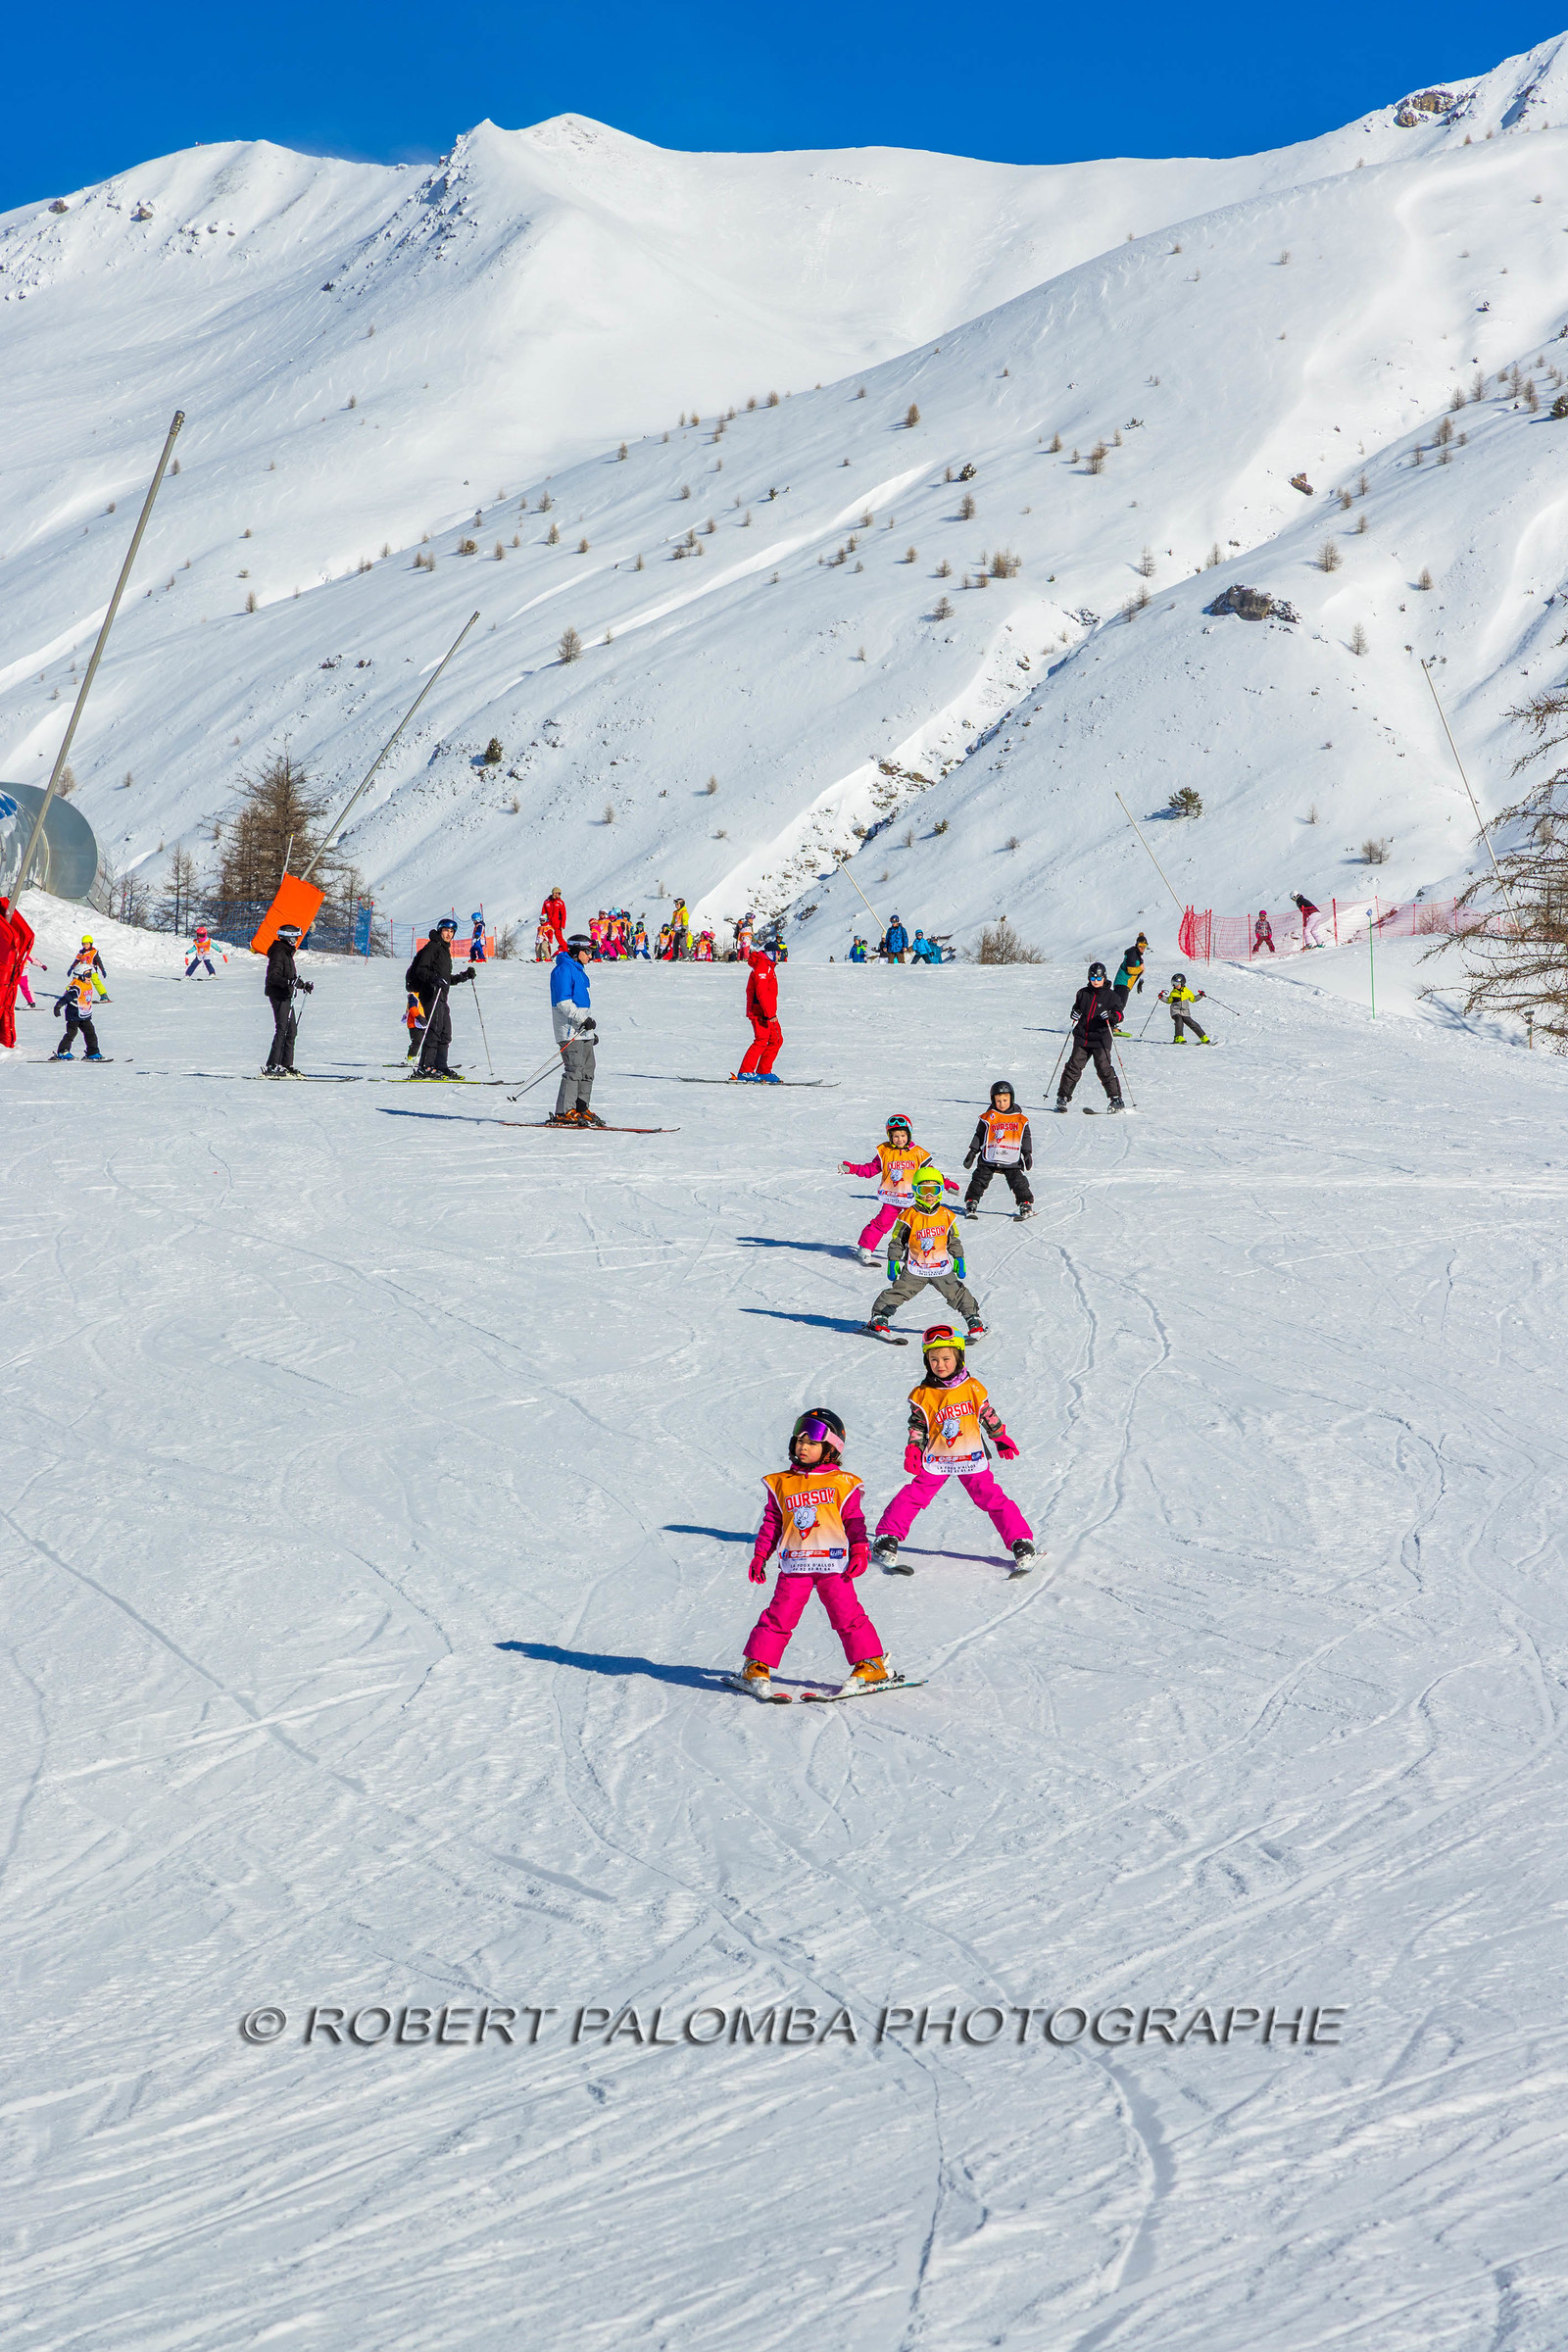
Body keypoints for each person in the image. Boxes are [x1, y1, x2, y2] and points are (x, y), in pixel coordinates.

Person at [735, 1408, 891, 1697]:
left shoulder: (843, 1483)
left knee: (847, 1615)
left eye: (811, 1443)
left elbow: (854, 1521)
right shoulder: (782, 1483)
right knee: (778, 1616)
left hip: (833, 1566)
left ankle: (871, 1664)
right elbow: (773, 1522)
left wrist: (859, 1550)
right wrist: (760, 1556)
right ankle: (756, 1665)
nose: (802, 1447)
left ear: (830, 1449)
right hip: (795, 1566)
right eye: (799, 1441)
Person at [871, 1328, 1034, 1573]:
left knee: (991, 1497)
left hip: (971, 1455)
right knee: (914, 1495)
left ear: (959, 1358)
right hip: (937, 1457)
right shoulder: (923, 1394)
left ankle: (1020, 1541)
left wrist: (999, 1437)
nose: (940, 1365)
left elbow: (987, 1414)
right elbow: (917, 1424)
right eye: (933, 1359)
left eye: (946, 1359)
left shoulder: (972, 1388)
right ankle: (887, 1537)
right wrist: (914, 1449)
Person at [865, 1165, 983, 1342]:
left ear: (940, 1191)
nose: (929, 1195)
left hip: (941, 1268)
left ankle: (973, 1319)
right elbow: (897, 1241)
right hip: (915, 1268)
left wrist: (959, 1257)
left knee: (957, 1293)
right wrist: (893, 1260)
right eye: (924, 1190)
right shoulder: (908, 1216)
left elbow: (953, 1239)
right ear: (916, 1191)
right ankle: (879, 1317)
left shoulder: (946, 1215)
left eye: (934, 1190)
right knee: (899, 1291)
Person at [842, 1115, 958, 1265]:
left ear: (908, 1134)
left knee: (915, 1226)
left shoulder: (918, 1153)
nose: (899, 1139)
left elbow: (930, 1174)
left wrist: (947, 1184)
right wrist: (852, 1169)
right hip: (892, 1199)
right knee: (881, 1224)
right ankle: (865, 1249)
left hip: (912, 1200)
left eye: (903, 1135)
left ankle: (914, 1253)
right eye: (895, 1136)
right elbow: (871, 1169)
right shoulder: (885, 1151)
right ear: (890, 1136)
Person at [405, 916, 474, 1079]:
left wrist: (464, 976)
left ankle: (440, 1066)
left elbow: (445, 978)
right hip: (430, 995)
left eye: (451, 931)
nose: (449, 934)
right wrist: (434, 978)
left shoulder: (444, 950)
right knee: (434, 1031)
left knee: (445, 1033)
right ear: (440, 930)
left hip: (441, 997)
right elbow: (421, 970)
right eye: (446, 930)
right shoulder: (432, 947)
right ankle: (426, 1066)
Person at [1055, 962, 1125, 1112]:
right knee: (1073, 1066)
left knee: (1103, 1067)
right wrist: (1074, 1013)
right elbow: (1077, 1008)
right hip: (1082, 1036)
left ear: (1104, 977)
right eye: (1093, 977)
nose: (1095, 980)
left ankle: (1116, 1099)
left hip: (1101, 1038)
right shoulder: (1082, 993)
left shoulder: (1112, 996)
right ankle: (1062, 1098)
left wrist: (1112, 1016)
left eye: (1099, 977)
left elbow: (1120, 1015)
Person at [550, 930, 601, 1126]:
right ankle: (564, 1111)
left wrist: (589, 1031)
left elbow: (581, 1005)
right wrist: (583, 1021)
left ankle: (580, 1108)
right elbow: (563, 1002)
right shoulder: (563, 970)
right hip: (569, 1030)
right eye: (588, 951)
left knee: (588, 1069)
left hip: (581, 1030)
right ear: (576, 951)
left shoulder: (578, 969)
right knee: (574, 1070)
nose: (591, 956)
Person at [962, 1082, 1034, 1219]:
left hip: (1010, 1157)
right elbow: (979, 1134)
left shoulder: (1019, 1118)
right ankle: (971, 1201)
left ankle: (1025, 1203)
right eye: (998, 1101)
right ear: (993, 1101)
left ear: (1011, 1099)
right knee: (979, 1179)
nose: (1002, 1104)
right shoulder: (989, 1116)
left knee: (1018, 1181)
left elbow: (1025, 1136)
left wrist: (1027, 1153)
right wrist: (972, 1152)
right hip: (990, 1156)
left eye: (1005, 1100)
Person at [264, 922, 312, 1074]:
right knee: (282, 1029)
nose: (297, 940)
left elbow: (290, 977)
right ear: (288, 938)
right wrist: (289, 982)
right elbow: (273, 977)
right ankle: (272, 1065)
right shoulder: (279, 952)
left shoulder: (286, 953)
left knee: (291, 1031)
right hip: (279, 995)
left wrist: (302, 985)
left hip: (286, 996)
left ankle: (286, 1065)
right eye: (295, 938)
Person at [737, 943, 782, 1081]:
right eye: (778, 953)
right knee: (762, 1040)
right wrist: (769, 1014)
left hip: (768, 1012)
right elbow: (761, 993)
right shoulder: (762, 967)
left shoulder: (768, 967)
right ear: (772, 953)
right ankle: (745, 1071)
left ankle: (763, 1071)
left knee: (777, 1039)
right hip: (760, 1011)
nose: (780, 956)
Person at [53, 966, 105, 1060]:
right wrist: (58, 1006)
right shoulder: (76, 987)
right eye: (88, 975)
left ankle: (92, 1052)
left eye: (91, 975)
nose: (90, 977)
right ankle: (62, 1052)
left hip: (84, 1014)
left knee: (90, 1033)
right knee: (71, 1033)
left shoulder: (87, 984)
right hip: (73, 1014)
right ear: (80, 976)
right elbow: (66, 997)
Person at [1159, 973, 1210, 1043]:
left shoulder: (1187, 992)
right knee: (1179, 1020)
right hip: (1175, 1011)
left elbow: (1193, 999)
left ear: (1182, 983)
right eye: (1173, 983)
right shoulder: (1173, 993)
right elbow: (1169, 1000)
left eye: (1176, 983)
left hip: (1185, 1012)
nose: (1175, 985)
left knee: (1192, 1023)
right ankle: (1178, 1037)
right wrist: (1162, 997)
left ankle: (1203, 1037)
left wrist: (1200, 995)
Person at [1112, 934, 1148, 1024]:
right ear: (1136, 945)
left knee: (1119, 1004)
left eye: (1144, 946)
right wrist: (1140, 968)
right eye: (1140, 946)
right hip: (1122, 983)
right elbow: (1130, 969)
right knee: (1119, 1004)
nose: (1142, 948)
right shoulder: (1132, 953)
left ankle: (1111, 1024)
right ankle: (1111, 1024)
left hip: (1125, 984)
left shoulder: (1137, 955)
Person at [72, 936, 110, 1002]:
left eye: (87, 944)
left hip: (92, 971)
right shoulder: (81, 953)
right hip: (82, 972)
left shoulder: (93, 952)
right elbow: (76, 961)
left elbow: (98, 962)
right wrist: (71, 968)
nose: (85, 945)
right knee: (77, 981)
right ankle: (71, 994)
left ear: (90, 944)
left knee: (96, 982)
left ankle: (104, 995)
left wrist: (102, 970)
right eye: (84, 944)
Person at [541, 888, 567, 956]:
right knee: (546, 940)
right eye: (559, 893)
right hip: (548, 924)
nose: (560, 895)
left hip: (557, 924)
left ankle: (567, 952)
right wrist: (543, 922)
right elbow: (543, 913)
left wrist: (562, 925)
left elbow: (563, 914)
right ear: (554, 893)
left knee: (560, 939)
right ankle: (547, 956)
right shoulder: (546, 902)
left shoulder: (561, 902)